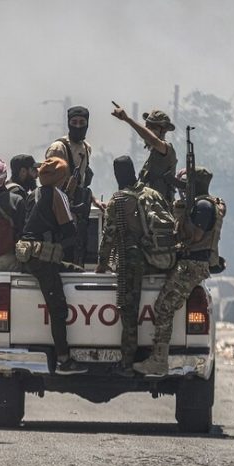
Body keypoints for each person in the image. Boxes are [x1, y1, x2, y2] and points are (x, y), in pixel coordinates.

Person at [133, 167, 226, 377]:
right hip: (191, 263)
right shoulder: (205, 203)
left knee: (163, 307)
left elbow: (194, 236)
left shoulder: (203, 206)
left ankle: (158, 361)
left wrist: (184, 214)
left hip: (192, 265)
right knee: (164, 305)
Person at [16, 157, 88, 375]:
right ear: (61, 178)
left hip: (31, 257)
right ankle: (63, 359)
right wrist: (75, 212)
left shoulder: (34, 194)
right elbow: (69, 232)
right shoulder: (57, 195)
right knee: (58, 309)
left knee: (77, 273)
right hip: (43, 260)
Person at [96, 156, 162, 376]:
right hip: (157, 261)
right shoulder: (151, 194)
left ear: (117, 175)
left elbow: (109, 237)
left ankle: (127, 363)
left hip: (131, 262)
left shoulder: (119, 200)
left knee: (129, 312)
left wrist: (101, 265)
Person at [46, 106, 105, 266]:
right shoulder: (58, 148)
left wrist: (93, 200)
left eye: (82, 122)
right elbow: (48, 181)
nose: (78, 126)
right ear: (68, 123)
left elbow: (82, 181)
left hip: (79, 209)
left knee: (80, 251)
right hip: (60, 209)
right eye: (74, 122)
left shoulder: (86, 148)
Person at [111, 104, 178, 205]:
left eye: (152, 128)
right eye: (146, 127)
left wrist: (127, 119)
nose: (147, 130)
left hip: (160, 209)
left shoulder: (167, 150)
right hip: (146, 206)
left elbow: (153, 141)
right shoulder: (152, 156)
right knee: (123, 163)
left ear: (163, 130)